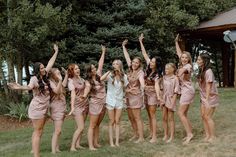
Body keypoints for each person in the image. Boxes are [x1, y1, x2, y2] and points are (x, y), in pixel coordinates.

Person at [8, 44, 59, 157]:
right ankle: (36, 155)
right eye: (41, 68)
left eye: (43, 67)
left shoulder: (44, 76)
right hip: (37, 108)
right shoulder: (34, 78)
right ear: (37, 70)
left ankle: (34, 151)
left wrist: (56, 52)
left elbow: (51, 63)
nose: (44, 69)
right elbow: (29, 87)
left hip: (43, 108)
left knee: (38, 131)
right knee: (38, 131)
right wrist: (19, 87)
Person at [139, 33, 162, 143]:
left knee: (152, 115)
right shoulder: (148, 67)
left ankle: (154, 137)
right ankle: (151, 133)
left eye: (153, 62)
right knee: (148, 114)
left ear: (157, 64)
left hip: (152, 94)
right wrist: (141, 42)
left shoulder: (157, 74)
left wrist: (158, 97)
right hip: (146, 94)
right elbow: (144, 53)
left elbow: (157, 85)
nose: (151, 63)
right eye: (151, 61)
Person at [100, 59, 128, 147]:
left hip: (119, 101)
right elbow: (101, 78)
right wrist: (109, 71)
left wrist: (125, 98)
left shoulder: (124, 76)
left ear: (120, 65)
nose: (114, 65)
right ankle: (111, 142)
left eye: (116, 64)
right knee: (111, 121)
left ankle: (117, 142)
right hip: (110, 101)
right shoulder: (110, 75)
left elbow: (125, 88)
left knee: (117, 121)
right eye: (113, 64)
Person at [122, 39, 145, 143]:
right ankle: (135, 134)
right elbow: (127, 57)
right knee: (131, 117)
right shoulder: (130, 70)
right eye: (133, 62)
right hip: (128, 96)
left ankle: (141, 137)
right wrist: (123, 47)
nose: (134, 64)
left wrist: (142, 87)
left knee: (137, 117)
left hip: (136, 96)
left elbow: (142, 82)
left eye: (137, 63)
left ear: (139, 64)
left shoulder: (140, 72)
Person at [175, 34, 195, 144]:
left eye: (186, 57)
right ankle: (190, 132)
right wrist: (176, 42)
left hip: (187, 91)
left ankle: (189, 134)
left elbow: (182, 72)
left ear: (189, 59)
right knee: (184, 114)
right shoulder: (182, 63)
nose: (183, 58)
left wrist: (176, 75)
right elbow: (179, 53)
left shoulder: (188, 66)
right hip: (186, 90)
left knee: (180, 113)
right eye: (182, 57)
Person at [86, 45, 106, 150]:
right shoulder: (89, 82)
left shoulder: (99, 75)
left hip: (103, 103)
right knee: (92, 125)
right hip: (95, 104)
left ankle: (96, 142)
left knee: (98, 124)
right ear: (90, 71)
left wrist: (103, 52)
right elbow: (86, 91)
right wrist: (84, 95)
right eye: (92, 68)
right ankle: (90, 146)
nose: (94, 69)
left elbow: (100, 64)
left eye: (94, 67)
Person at [67, 63, 90, 151]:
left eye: (78, 68)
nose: (78, 70)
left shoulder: (82, 79)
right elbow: (73, 94)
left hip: (85, 104)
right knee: (81, 127)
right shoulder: (71, 81)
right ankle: (72, 147)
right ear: (72, 71)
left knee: (81, 127)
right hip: (77, 106)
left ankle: (78, 144)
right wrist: (72, 107)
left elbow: (87, 88)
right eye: (75, 69)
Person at [197, 53, 219, 143]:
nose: (197, 61)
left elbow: (208, 86)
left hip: (210, 97)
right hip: (203, 97)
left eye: (199, 60)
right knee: (203, 116)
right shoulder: (201, 70)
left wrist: (206, 99)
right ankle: (207, 135)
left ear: (204, 61)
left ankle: (213, 136)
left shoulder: (208, 71)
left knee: (207, 116)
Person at [48, 67, 68, 154]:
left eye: (60, 73)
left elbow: (63, 85)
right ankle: (53, 151)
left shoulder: (57, 81)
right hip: (56, 107)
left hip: (62, 106)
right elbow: (56, 91)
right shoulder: (50, 82)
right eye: (57, 73)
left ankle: (57, 148)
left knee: (58, 130)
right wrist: (60, 80)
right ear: (53, 75)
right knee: (57, 130)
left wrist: (66, 75)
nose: (59, 75)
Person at [162, 63, 179, 143]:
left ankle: (171, 136)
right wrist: (161, 99)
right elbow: (162, 89)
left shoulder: (175, 78)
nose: (166, 70)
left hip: (171, 99)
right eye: (165, 68)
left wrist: (172, 103)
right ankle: (165, 134)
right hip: (164, 99)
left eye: (168, 68)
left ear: (173, 69)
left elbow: (176, 92)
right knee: (164, 118)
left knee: (170, 118)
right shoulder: (164, 78)